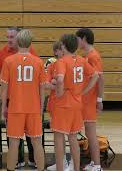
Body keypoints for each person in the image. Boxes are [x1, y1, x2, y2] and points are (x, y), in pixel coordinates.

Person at [0, 29, 46, 171]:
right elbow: (42, 89)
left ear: (18, 42)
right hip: (33, 108)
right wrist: (41, 107)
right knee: (37, 142)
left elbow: (4, 89)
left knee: (13, 143)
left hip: (15, 108)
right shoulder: (38, 62)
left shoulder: (8, 61)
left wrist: (3, 109)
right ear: (31, 43)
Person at [0, 26, 37, 168]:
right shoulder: (2, 53)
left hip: (28, 99)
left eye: (12, 37)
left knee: (31, 132)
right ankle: (16, 160)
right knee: (12, 132)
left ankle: (33, 159)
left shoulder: (31, 51)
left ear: (20, 38)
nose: (9, 40)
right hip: (11, 98)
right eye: (8, 37)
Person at [52, 34, 99, 171]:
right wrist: (83, 92)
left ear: (64, 46)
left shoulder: (62, 61)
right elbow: (95, 75)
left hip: (63, 104)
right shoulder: (81, 60)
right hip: (77, 103)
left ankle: (60, 168)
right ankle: (76, 168)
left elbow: (60, 79)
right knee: (72, 137)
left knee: (59, 138)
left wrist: (59, 93)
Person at [76, 28, 104, 171]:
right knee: (88, 133)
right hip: (85, 101)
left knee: (91, 133)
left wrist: (99, 100)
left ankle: (97, 165)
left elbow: (100, 79)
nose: (76, 42)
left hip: (90, 101)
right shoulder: (86, 55)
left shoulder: (93, 56)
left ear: (84, 38)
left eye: (78, 39)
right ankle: (94, 162)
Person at [45, 41, 73, 171]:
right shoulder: (51, 65)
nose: (64, 51)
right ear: (56, 51)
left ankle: (71, 163)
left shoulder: (69, 63)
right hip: (54, 104)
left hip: (67, 104)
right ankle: (61, 162)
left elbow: (69, 83)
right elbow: (46, 84)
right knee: (57, 136)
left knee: (70, 135)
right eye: (61, 49)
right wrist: (55, 84)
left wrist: (57, 83)